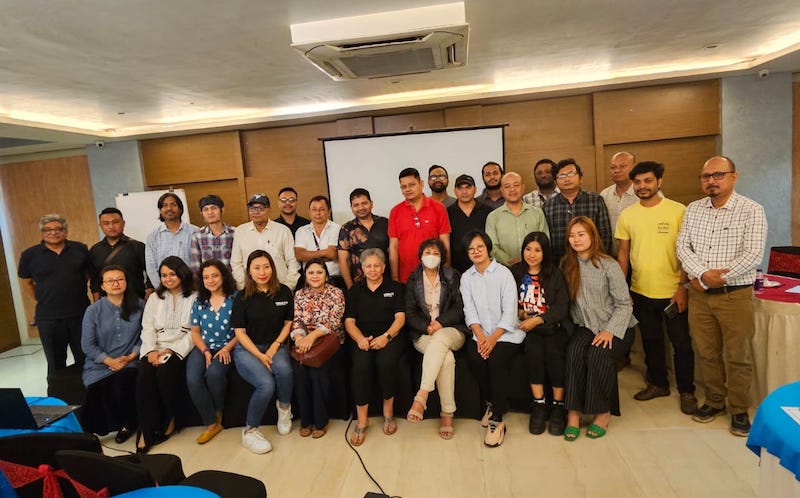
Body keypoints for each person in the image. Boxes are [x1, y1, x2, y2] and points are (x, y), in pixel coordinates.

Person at [677, 156, 767, 436]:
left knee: (738, 355)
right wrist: (703, 275)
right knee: (707, 352)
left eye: (718, 175)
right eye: (706, 176)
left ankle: (739, 409)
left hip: (734, 295)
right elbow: (682, 246)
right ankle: (715, 401)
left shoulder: (751, 210)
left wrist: (721, 277)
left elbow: (753, 253)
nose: (711, 181)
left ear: (733, 176)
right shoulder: (693, 209)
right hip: (700, 295)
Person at [616, 161, 697, 415]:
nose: (642, 186)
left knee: (681, 344)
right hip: (640, 291)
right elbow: (623, 254)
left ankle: (687, 391)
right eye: (638, 182)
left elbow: (687, 252)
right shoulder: (628, 214)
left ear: (659, 181)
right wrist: (622, 289)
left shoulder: (679, 211)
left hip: (673, 292)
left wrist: (682, 286)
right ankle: (658, 384)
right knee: (651, 341)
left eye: (648, 181)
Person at [561, 217, 636, 441]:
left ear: (593, 236)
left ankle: (603, 412)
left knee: (598, 354)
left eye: (581, 234)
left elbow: (625, 304)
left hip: (617, 325)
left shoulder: (608, 264)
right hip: (586, 325)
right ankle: (574, 412)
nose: (576, 239)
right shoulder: (567, 264)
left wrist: (610, 330)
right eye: (572, 235)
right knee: (574, 352)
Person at [460, 230, 524, 447]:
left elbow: (510, 312)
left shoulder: (504, 274)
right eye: (471, 249)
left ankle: (497, 418)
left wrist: (493, 338)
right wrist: (480, 336)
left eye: (480, 247)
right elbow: (469, 311)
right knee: (476, 359)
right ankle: (490, 403)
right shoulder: (466, 278)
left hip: (505, 334)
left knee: (496, 361)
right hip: (480, 334)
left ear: (488, 248)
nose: (476, 251)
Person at [231, 250, 294, 454]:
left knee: (285, 371)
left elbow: (288, 323)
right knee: (266, 384)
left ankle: (284, 409)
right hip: (248, 348)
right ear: (249, 271)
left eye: (266, 267)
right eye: (257, 268)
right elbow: (240, 333)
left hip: (276, 344)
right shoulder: (242, 297)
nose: (262, 272)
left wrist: (275, 345)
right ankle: (250, 431)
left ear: (272, 268)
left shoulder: (284, 292)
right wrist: (260, 356)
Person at [404, 239, 467, 439]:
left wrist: (440, 323)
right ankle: (447, 413)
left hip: (452, 330)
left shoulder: (452, 276)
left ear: (442, 257)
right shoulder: (413, 279)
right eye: (427, 252)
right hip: (422, 333)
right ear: (421, 256)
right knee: (446, 358)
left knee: (440, 338)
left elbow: (460, 307)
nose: (431, 256)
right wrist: (426, 327)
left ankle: (422, 395)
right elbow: (410, 312)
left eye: (436, 253)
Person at [344, 248, 406, 446]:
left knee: (385, 362)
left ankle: (388, 412)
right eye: (368, 266)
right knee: (361, 366)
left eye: (376, 265)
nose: (372, 269)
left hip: (390, 336)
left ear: (384, 267)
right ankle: (362, 420)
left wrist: (386, 337)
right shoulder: (355, 290)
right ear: (362, 268)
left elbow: (400, 318)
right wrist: (360, 339)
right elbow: (349, 321)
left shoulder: (395, 288)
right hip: (362, 338)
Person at [511, 232, 570, 436]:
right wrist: (521, 314)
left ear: (545, 253)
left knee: (554, 353)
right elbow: (506, 301)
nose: (532, 254)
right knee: (534, 352)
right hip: (526, 328)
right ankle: (539, 404)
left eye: (537, 250)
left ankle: (558, 406)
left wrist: (538, 319)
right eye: (528, 249)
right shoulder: (515, 272)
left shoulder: (555, 274)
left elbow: (562, 307)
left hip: (551, 326)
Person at [136, 256, 196, 454]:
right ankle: (145, 432)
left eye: (172, 274)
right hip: (155, 347)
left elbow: (195, 332)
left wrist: (172, 350)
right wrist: (151, 350)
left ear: (182, 274)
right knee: (144, 377)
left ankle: (170, 420)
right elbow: (147, 328)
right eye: (164, 275)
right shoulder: (155, 298)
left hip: (179, 347)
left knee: (165, 374)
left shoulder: (195, 296)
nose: (168, 279)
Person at [18, 214, 90, 373]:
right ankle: (58, 389)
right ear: (42, 232)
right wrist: (44, 298)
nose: (53, 232)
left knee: (85, 358)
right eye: (47, 229)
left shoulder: (80, 249)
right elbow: (27, 283)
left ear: (66, 231)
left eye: (58, 228)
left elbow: (86, 276)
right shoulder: (29, 254)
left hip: (80, 315)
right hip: (49, 319)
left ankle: (87, 389)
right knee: (56, 363)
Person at [80, 265, 143, 443]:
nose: (116, 283)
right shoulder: (93, 311)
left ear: (126, 282)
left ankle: (128, 424)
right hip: (99, 363)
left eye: (120, 279)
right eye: (110, 281)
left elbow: (145, 335)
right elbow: (87, 345)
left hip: (129, 360)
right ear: (102, 286)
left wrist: (132, 355)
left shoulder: (139, 305)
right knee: (95, 390)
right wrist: (109, 361)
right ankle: (91, 434)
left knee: (122, 382)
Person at [290, 258, 345, 439]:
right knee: (299, 372)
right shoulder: (299, 294)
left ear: (326, 275)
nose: (315, 276)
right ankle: (306, 421)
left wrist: (312, 337)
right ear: (305, 276)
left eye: (319, 272)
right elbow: (296, 320)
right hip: (305, 343)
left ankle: (320, 422)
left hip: (330, 343)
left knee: (318, 372)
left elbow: (334, 322)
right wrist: (299, 338)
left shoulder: (336, 293)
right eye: (311, 272)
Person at [187, 259, 238, 445]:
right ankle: (211, 422)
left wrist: (227, 348)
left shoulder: (236, 298)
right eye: (206, 277)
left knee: (214, 372)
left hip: (228, 346)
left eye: (215, 276)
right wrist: (205, 351)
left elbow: (242, 331)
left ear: (223, 276)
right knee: (193, 378)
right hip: (204, 346)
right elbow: (195, 332)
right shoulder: (199, 301)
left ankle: (218, 413)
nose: (211, 280)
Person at [389, 167, 451, 283]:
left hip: (434, 275)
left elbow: (445, 243)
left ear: (421, 184)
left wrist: (446, 273)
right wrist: (395, 277)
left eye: (412, 185)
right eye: (404, 187)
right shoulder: (395, 212)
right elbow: (393, 247)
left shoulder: (439, 208)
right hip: (405, 277)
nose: (408, 189)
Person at [543, 159, 613, 263]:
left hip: (592, 262)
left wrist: (597, 260)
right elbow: (547, 239)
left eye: (571, 174)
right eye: (561, 176)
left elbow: (605, 235)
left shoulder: (595, 200)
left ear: (580, 178)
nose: (567, 179)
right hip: (559, 264)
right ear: (555, 182)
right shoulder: (548, 205)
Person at [231, 193, 300, 290]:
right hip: (250, 290)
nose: (256, 212)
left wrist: (288, 286)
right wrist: (244, 286)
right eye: (252, 208)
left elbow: (293, 262)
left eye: (261, 208)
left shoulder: (283, 231)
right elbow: (236, 263)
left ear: (269, 209)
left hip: (279, 287)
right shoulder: (240, 231)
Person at [485, 172, 549, 267]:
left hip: (535, 268)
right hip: (504, 269)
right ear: (501, 190)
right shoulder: (493, 217)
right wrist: (509, 261)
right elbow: (492, 246)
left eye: (516, 185)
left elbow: (545, 241)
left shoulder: (537, 213)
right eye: (507, 186)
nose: (512, 189)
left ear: (523, 188)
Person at [89, 207, 152, 301]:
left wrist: (148, 294)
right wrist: (97, 303)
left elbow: (151, 272)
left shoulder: (138, 246)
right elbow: (94, 281)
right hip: (108, 303)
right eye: (106, 223)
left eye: (115, 222)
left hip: (136, 301)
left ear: (123, 223)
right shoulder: (95, 250)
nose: (111, 226)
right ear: (100, 226)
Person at [337, 188, 391, 288]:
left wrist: (395, 278)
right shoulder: (347, 228)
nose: (361, 208)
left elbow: (394, 252)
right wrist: (350, 287)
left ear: (371, 203)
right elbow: (343, 260)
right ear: (351, 207)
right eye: (356, 205)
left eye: (364, 203)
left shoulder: (385, 223)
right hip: (359, 285)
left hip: (386, 281)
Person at [144, 192, 199, 286]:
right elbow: (151, 268)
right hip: (165, 288)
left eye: (173, 205)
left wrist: (195, 287)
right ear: (160, 211)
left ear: (180, 209)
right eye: (164, 205)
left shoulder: (195, 232)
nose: (169, 208)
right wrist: (162, 289)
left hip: (192, 287)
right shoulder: (153, 237)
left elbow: (201, 263)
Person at [447, 174, 493, 274]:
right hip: (456, 270)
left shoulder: (488, 211)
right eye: (460, 188)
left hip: (484, 268)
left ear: (475, 189)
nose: (464, 191)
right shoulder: (447, 213)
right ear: (455, 191)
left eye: (468, 187)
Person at [294, 196, 342, 286]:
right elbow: (299, 255)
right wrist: (325, 252)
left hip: (334, 278)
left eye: (322, 209)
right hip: (310, 280)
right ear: (309, 212)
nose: (318, 213)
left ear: (329, 211)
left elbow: (333, 254)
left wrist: (309, 255)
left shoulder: (337, 229)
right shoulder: (301, 231)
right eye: (314, 209)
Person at [600, 152, 639, 257]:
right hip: (611, 256)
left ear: (634, 168)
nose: (617, 170)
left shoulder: (643, 193)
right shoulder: (604, 194)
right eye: (613, 167)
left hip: (639, 256)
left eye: (623, 166)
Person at [189, 194, 235, 273]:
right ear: (201, 213)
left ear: (222, 210)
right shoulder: (197, 236)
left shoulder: (235, 233)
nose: (210, 212)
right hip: (208, 279)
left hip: (231, 279)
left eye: (214, 208)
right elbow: (195, 266)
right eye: (206, 210)